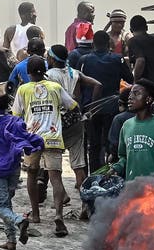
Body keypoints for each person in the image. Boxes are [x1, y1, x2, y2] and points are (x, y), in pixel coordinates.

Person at [14, 55, 76, 237]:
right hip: (53, 138)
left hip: (32, 139)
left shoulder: (23, 90)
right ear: (45, 70)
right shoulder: (56, 88)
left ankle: (35, 213)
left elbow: (16, 114)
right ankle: (58, 216)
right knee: (56, 178)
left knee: (32, 175)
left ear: (28, 73)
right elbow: (73, 106)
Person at [0, 94, 43, 250]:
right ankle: (11, 240)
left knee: (0, 207)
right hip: (14, 168)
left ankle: (19, 220)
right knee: (6, 203)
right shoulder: (14, 120)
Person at [46, 44, 100, 219]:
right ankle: (85, 205)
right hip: (76, 119)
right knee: (78, 165)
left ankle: (61, 201)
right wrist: (90, 107)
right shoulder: (74, 72)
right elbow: (97, 84)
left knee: (54, 165)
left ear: (53, 59)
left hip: (57, 122)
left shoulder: (49, 76)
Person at [78, 30, 133, 171]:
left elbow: (77, 84)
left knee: (93, 144)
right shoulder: (117, 59)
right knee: (111, 143)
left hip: (90, 108)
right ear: (109, 43)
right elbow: (129, 79)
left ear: (93, 43)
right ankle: (110, 173)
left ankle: (94, 175)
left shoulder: (84, 60)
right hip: (112, 107)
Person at [107, 87, 134, 162]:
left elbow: (115, 144)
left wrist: (112, 155)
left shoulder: (119, 118)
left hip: (122, 160)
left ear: (120, 103)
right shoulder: (144, 116)